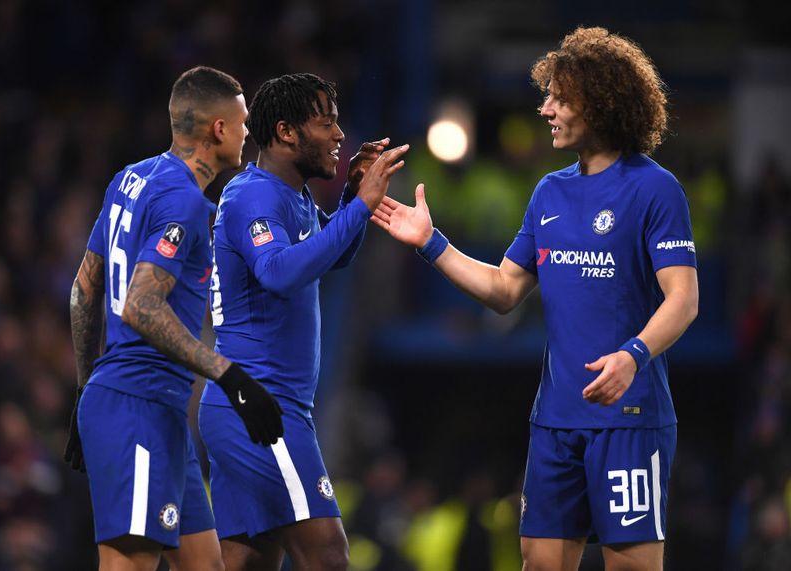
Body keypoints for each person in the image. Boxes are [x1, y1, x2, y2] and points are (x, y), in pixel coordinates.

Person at [372, 27, 699, 571]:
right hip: (555, 419)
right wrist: (432, 243)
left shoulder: (655, 189)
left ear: (600, 102)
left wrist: (633, 355)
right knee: (540, 563)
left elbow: (683, 299)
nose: (545, 109)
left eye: (559, 98)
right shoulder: (550, 192)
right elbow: (504, 291)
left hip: (628, 418)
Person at [64, 66, 283, 571]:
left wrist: (83, 389)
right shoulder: (184, 202)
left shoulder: (131, 178)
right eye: (243, 123)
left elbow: (84, 290)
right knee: (129, 565)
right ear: (219, 129)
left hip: (156, 410)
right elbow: (140, 305)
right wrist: (228, 375)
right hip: (136, 405)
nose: (248, 133)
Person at [198, 73, 408, 570]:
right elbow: (278, 272)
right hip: (261, 405)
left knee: (248, 561)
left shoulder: (291, 195)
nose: (340, 135)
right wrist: (361, 206)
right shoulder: (253, 196)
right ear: (287, 132)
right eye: (326, 123)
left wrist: (350, 200)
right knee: (327, 554)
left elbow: (332, 255)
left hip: (258, 403)